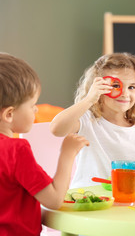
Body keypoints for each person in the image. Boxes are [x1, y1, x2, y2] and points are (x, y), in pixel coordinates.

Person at [50, 53, 135, 188]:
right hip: (87, 199)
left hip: (121, 200)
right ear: (98, 87)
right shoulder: (87, 121)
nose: (125, 93)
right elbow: (56, 129)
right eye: (116, 86)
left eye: (131, 87)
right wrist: (89, 99)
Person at [0, 53, 89, 236]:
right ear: (9, 114)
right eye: (32, 104)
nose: (36, 110)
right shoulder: (16, 150)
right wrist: (68, 153)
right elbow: (54, 199)